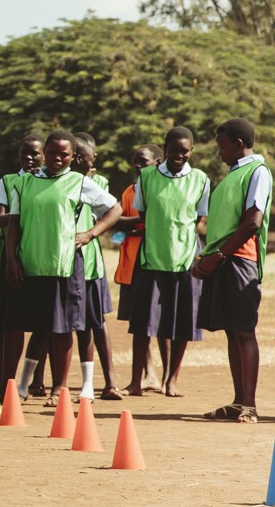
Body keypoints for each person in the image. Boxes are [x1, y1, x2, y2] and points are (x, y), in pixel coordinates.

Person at [2, 131, 121, 403]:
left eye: (64, 154)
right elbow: (14, 224)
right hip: (30, 265)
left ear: (73, 157)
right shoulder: (24, 182)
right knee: (29, 327)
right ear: (44, 152)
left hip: (64, 265)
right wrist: (11, 260)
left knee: (62, 328)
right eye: (52, 152)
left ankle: (60, 389)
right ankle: (17, 387)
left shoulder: (79, 183)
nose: (57, 158)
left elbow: (114, 209)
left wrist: (90, 234)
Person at [124, 126, 210, 399]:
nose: (179, 155)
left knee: (183, 322)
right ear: (165, 149)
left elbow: (198, 219)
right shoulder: (147, 177)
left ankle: (171, 380)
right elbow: (143, 214)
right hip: (152, 256)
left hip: (185, 259)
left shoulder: (200, 179)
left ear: (191, 151)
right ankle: (136, 381)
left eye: (185, 151)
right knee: (143, 322)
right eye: (174, 150)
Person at [192, 119, 268, 423]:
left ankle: (249, 404)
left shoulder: (257, 171)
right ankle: (238, 401)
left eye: (223, 146)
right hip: (223, 259)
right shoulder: (233, 175)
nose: (219, 152)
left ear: (239, 144)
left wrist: (219, 255)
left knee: (244, 330)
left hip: (240, 260)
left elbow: (253, 221)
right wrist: (207, 256)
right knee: (231, 331)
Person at [0, 135, 44, 401]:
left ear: (44, 155)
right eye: (25, 153)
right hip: (12, 263)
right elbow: (0, 219)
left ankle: (36, 381)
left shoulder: (47, 182)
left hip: (40, 260)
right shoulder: (8, 181)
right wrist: (26, 213)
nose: (29, 158)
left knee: (43, 326)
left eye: (35, 153)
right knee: (8, 325)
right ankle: (4, 383)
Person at [72, 134, 120, 401]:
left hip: (92, 264)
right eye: (91, 154)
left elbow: (106, 214)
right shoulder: (63, 182)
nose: (95, 159)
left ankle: (110, 381)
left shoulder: (98, 183)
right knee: (68, 326)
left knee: (96, 322)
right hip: (69, 265)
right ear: (79, 157)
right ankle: (42, 383)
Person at [114, 144, 165, 395]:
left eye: (143, 161)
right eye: (135, 161)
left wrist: (125, 224)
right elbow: (120, 224)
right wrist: (129, 226)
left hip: (155, 263)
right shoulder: (129, 191)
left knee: (162, 322)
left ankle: (167, 377)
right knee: (139, 323)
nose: (137, 165)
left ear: (158, 162)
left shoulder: (162, 189)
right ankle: (149, 374)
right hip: (132, 265)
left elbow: (155, 222)